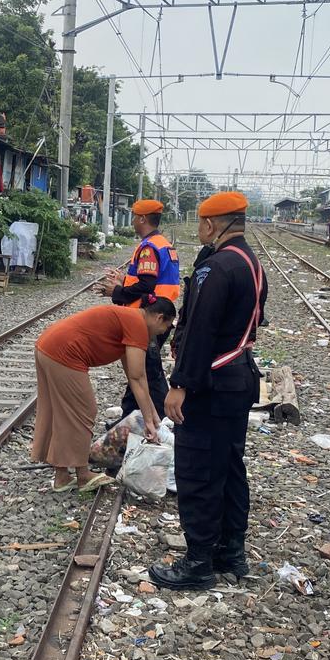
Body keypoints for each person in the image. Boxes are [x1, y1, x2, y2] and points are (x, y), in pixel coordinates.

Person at [151, 192, 267, 591]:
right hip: (239, 379)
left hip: (212, 383)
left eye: (201, 223)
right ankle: (230, 551)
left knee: (198, 469)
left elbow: (200, 330)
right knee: (230, 468)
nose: (200, 230)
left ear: (211, 224)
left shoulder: (215, 268)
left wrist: (180, 384)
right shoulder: (250, 263)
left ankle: (198, 560)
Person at [31, 298, 176, 492]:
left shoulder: (131, 319)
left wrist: (152, 416)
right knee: (83, 411)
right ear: (159, 318)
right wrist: (149, 421)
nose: (162, 333)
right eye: (165, 327)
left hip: (49, 346)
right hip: (64, 353)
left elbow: (136, 378)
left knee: (61, 413)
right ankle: (82, 475)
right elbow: (137, 377)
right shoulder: (138, 326)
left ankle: (62, 477)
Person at [97, 198, 179, 421]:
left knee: (149, 374)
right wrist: (124, 280)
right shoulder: (162, 244)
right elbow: (149, 281)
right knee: (140, 372)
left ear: (142, 218)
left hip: (150, 319)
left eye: (134, 217)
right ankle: (129, 419)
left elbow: (146, 286)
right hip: (160, 315)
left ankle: (162, 420)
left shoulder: (149, 248)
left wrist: (116, 292)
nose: (132, 221)